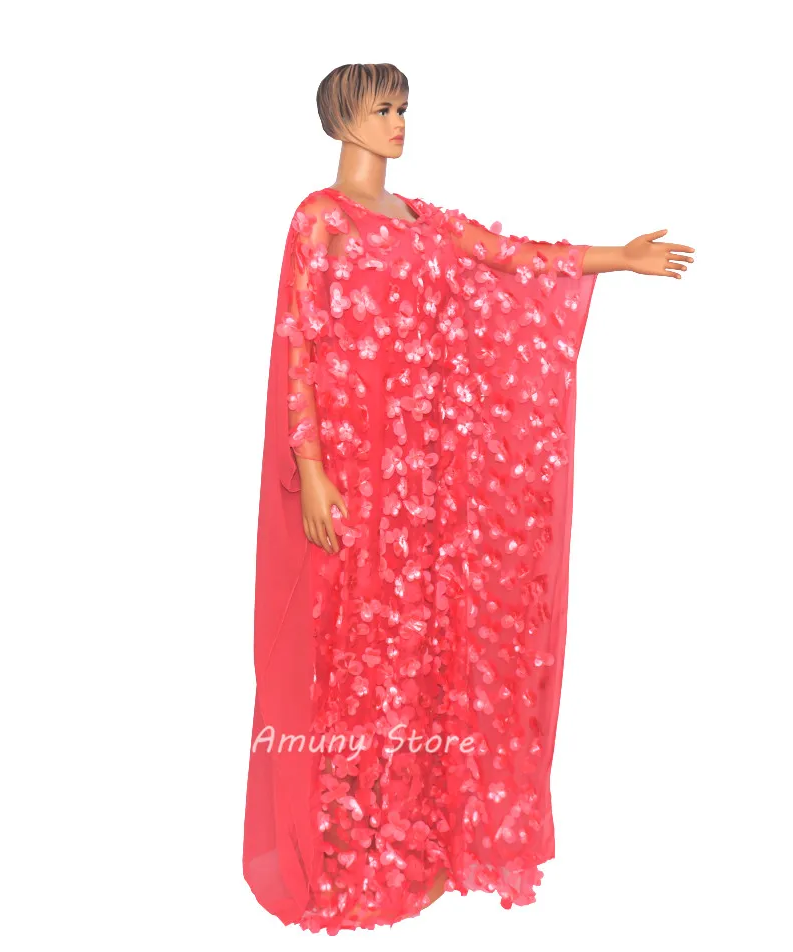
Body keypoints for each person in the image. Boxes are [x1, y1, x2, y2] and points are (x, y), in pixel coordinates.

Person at [243, 63, 694, 935]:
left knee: (416, 644)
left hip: (423, 474)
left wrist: (618, 259)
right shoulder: (320, 218)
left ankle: (411, 838)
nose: (399, 121)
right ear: (342, 118)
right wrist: (312, 468)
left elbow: (513, 257)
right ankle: (345, 842)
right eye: (383, 107)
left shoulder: (424, 223)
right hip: (355, 468)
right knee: (350, 643)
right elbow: (299, 341)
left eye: (404, 107)